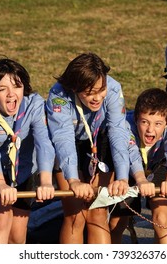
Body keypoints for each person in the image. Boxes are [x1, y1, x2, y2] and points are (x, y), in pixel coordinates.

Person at [46, 52, 131, 244]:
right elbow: (62, 137)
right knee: (75, 215)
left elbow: (118, 132)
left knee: (97, 212)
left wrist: (123, 176)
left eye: (101, 90)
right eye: (89, 92)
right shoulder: (58, 95)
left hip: (99, 140)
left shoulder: (113, 88)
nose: (97, 97)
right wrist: (73, 180)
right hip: (68, 141)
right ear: (74, 88)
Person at [0, 58, 55, 244]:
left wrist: (46, 182)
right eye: (2, 89)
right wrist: (1, 184)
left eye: (17, 87)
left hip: (23, 171)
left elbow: (43, 143)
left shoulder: (34, 104)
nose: (11, 95)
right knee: (1, 220)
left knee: (18, 237)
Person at [109, 88, 167, 244]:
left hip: (158, 163)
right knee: (117, 223)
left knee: (162, 218)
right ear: (136, 119)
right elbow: (131, 154)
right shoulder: (125, 124)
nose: (150, 129)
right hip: (129, 167)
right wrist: (140, 179)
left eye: (158, 124)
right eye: (144, 122)